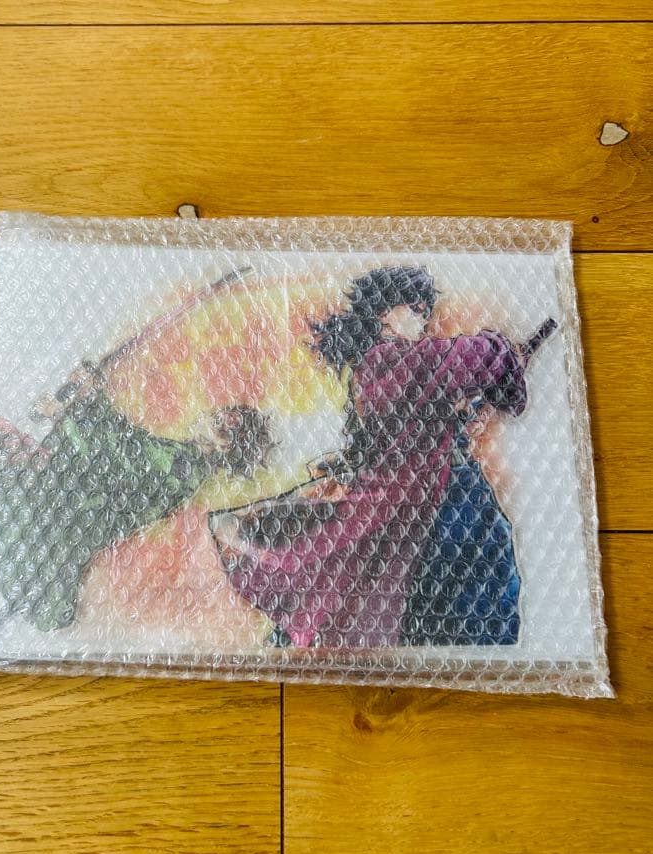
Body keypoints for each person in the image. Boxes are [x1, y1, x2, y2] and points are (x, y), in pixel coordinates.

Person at [210, 266, 543, 650]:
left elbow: (395, 432)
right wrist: (506, 355)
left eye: (425, 311)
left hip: (430, 491)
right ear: (383, 311)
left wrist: (473, 404)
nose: (422, 320)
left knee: (397, 584)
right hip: (438, 496)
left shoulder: (380, 366)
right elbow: (480, 355)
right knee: (475, 574)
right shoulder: (391, 359)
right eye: (414, 308)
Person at [0, 380, 272, 632]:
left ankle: (27, 594)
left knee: (4, 452)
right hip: (62, 521)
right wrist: (92, 399)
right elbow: (128, 444)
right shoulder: (185, 461)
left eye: (219, 420)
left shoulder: (182, 466)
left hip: (60, 522)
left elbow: (122, 454)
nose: (209, 414)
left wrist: (83, 405)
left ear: (223, 444)